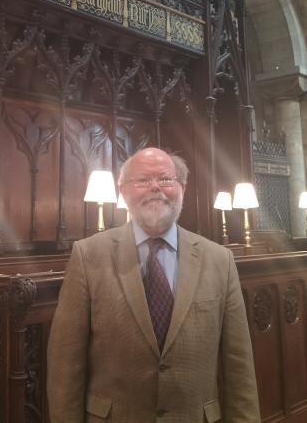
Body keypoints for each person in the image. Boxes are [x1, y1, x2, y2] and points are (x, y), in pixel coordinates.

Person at [47, 147, 260, 423]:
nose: (155, 187)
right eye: (142, 180)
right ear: (123, 191)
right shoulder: (88, 256)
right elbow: (66, 367)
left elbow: (239, 366)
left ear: (182, 187)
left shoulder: (220, 260)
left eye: (166, 179)